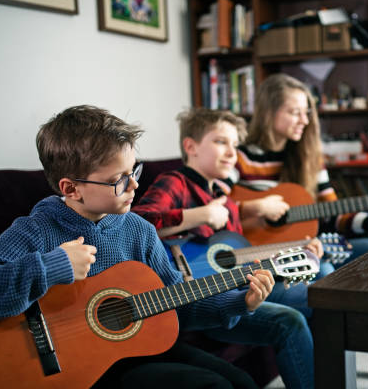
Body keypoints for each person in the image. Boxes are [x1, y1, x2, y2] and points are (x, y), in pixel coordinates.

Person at [0, 105, 274, 389]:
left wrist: (238, 302)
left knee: (240, 381)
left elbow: (177, 303)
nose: (135, 185)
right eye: (120, 179)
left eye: (134, 171)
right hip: (78, 368)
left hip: (135, 348)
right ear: (71, 188)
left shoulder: (138, 231)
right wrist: (51, 267)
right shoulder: (37, 230)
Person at [225, 73, 368, 383]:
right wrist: (254, 209)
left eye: (307, 112)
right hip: (257, 257)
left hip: (306, 246)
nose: (304, 120)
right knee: (321, 272)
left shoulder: (310, 157)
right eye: (295, 112)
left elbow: (332, 215)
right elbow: (218, 210)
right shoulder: (238, 157)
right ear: (269, 113)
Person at [132, 108, 321, 389]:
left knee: (318, 294)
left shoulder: (226, 200)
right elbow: (136, 223)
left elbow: (235, 259)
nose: (232, 152)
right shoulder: (175, 182)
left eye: (235, 145)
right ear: (191, 146)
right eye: (221, 141)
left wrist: (298, 249)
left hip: (233, 292)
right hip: (197, 300)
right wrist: (199, 216)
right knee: (289, 321)